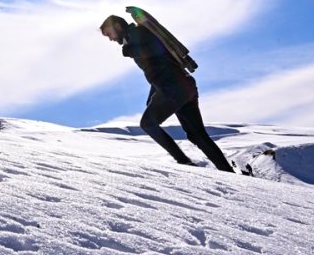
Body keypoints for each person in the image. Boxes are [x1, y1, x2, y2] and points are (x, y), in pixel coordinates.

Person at [100, 14, 233, 172]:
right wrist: (152, 96)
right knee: (197, 135)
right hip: (184, 86)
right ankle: (227, 171)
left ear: (117, 26)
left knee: (148, 124)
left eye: (109, 33)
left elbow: (155, 49)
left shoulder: (137, 33)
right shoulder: (136, 35)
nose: (110, 39)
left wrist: (130, 49)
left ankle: (184, 162)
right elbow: (159, 65)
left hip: (173, 87)